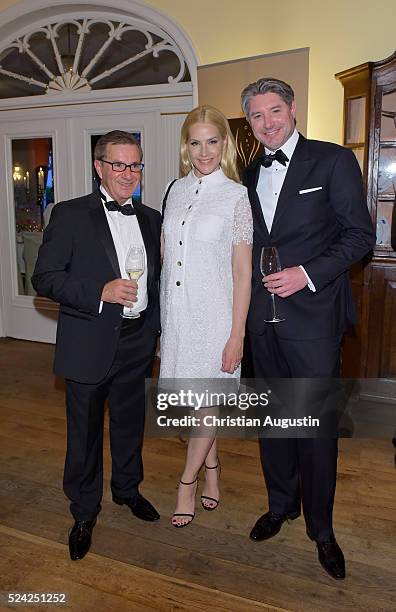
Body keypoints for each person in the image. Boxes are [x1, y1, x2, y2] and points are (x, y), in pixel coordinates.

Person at [241, 78, 375, 580]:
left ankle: (322, 529)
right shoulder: (248, 172)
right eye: (257, 116)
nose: (268, 122)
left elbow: (360, 235)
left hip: (315, 318)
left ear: (292, 110)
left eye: (275, 110)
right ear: (249, 123)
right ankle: (281, 505)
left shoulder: (333, 160)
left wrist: (307, 274)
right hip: (262, 321)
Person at [32, 130, 161, 561]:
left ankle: (128, 490)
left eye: (135, 165)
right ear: (99, 167)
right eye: (119, 165)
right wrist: (98, 292)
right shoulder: (69, 215)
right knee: (84, 433)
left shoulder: (151, 218)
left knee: (129, 424)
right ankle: (84, 511)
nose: (128, 174)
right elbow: (44, 278)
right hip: (89, 341)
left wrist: (157, 329)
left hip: (138, 340)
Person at [160, 105, 253, 527]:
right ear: (186, 146)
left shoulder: (236, 196)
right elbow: (167, 257)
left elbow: (242, 270)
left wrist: (237, 334)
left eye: (212, 141)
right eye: (195, 142)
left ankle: (186, 482)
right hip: (178, 316)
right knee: (197, 405)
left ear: (224, 143)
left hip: (216, 317)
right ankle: (213, 471)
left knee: (208, 403)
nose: (204, 151)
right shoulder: (174, 190)